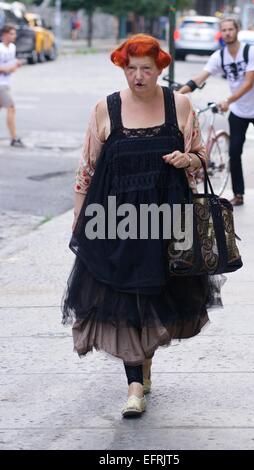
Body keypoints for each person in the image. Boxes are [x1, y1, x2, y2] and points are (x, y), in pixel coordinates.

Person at [62, 34, 220, 417]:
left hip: (167, 221)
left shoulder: (180, 105)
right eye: (130, 68)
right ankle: (134, 385)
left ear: (160, 68)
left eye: (145, 69)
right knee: (124, 300)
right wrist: (79, 219)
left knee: (154, 297)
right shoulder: (105, 109)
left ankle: (144, 364)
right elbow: (87, 171)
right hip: (115, 221)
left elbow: (201, 156)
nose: (137, 76)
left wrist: (189, 160)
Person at [179, 17, 254, 206]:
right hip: (239, 111)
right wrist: (177, 93)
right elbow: (200, 77)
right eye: (223, 30)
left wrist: (227, 101)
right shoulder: (220, 56)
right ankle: (238, 194)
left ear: (237, 30)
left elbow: (248, 83)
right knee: (234, 151)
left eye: (230, 29)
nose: (227, 33)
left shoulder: (251, 52)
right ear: (220, 33)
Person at [0, 24, 24, 148]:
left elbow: (11, 65)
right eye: (12, 33)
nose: (14, 36)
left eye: (14, 33)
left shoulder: (12, 48)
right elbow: (6, 67)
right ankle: (14, 138)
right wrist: (8, 69)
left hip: (6, 84)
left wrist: (16, 64)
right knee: (11, 107)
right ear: (4, 35)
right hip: (1, 85)